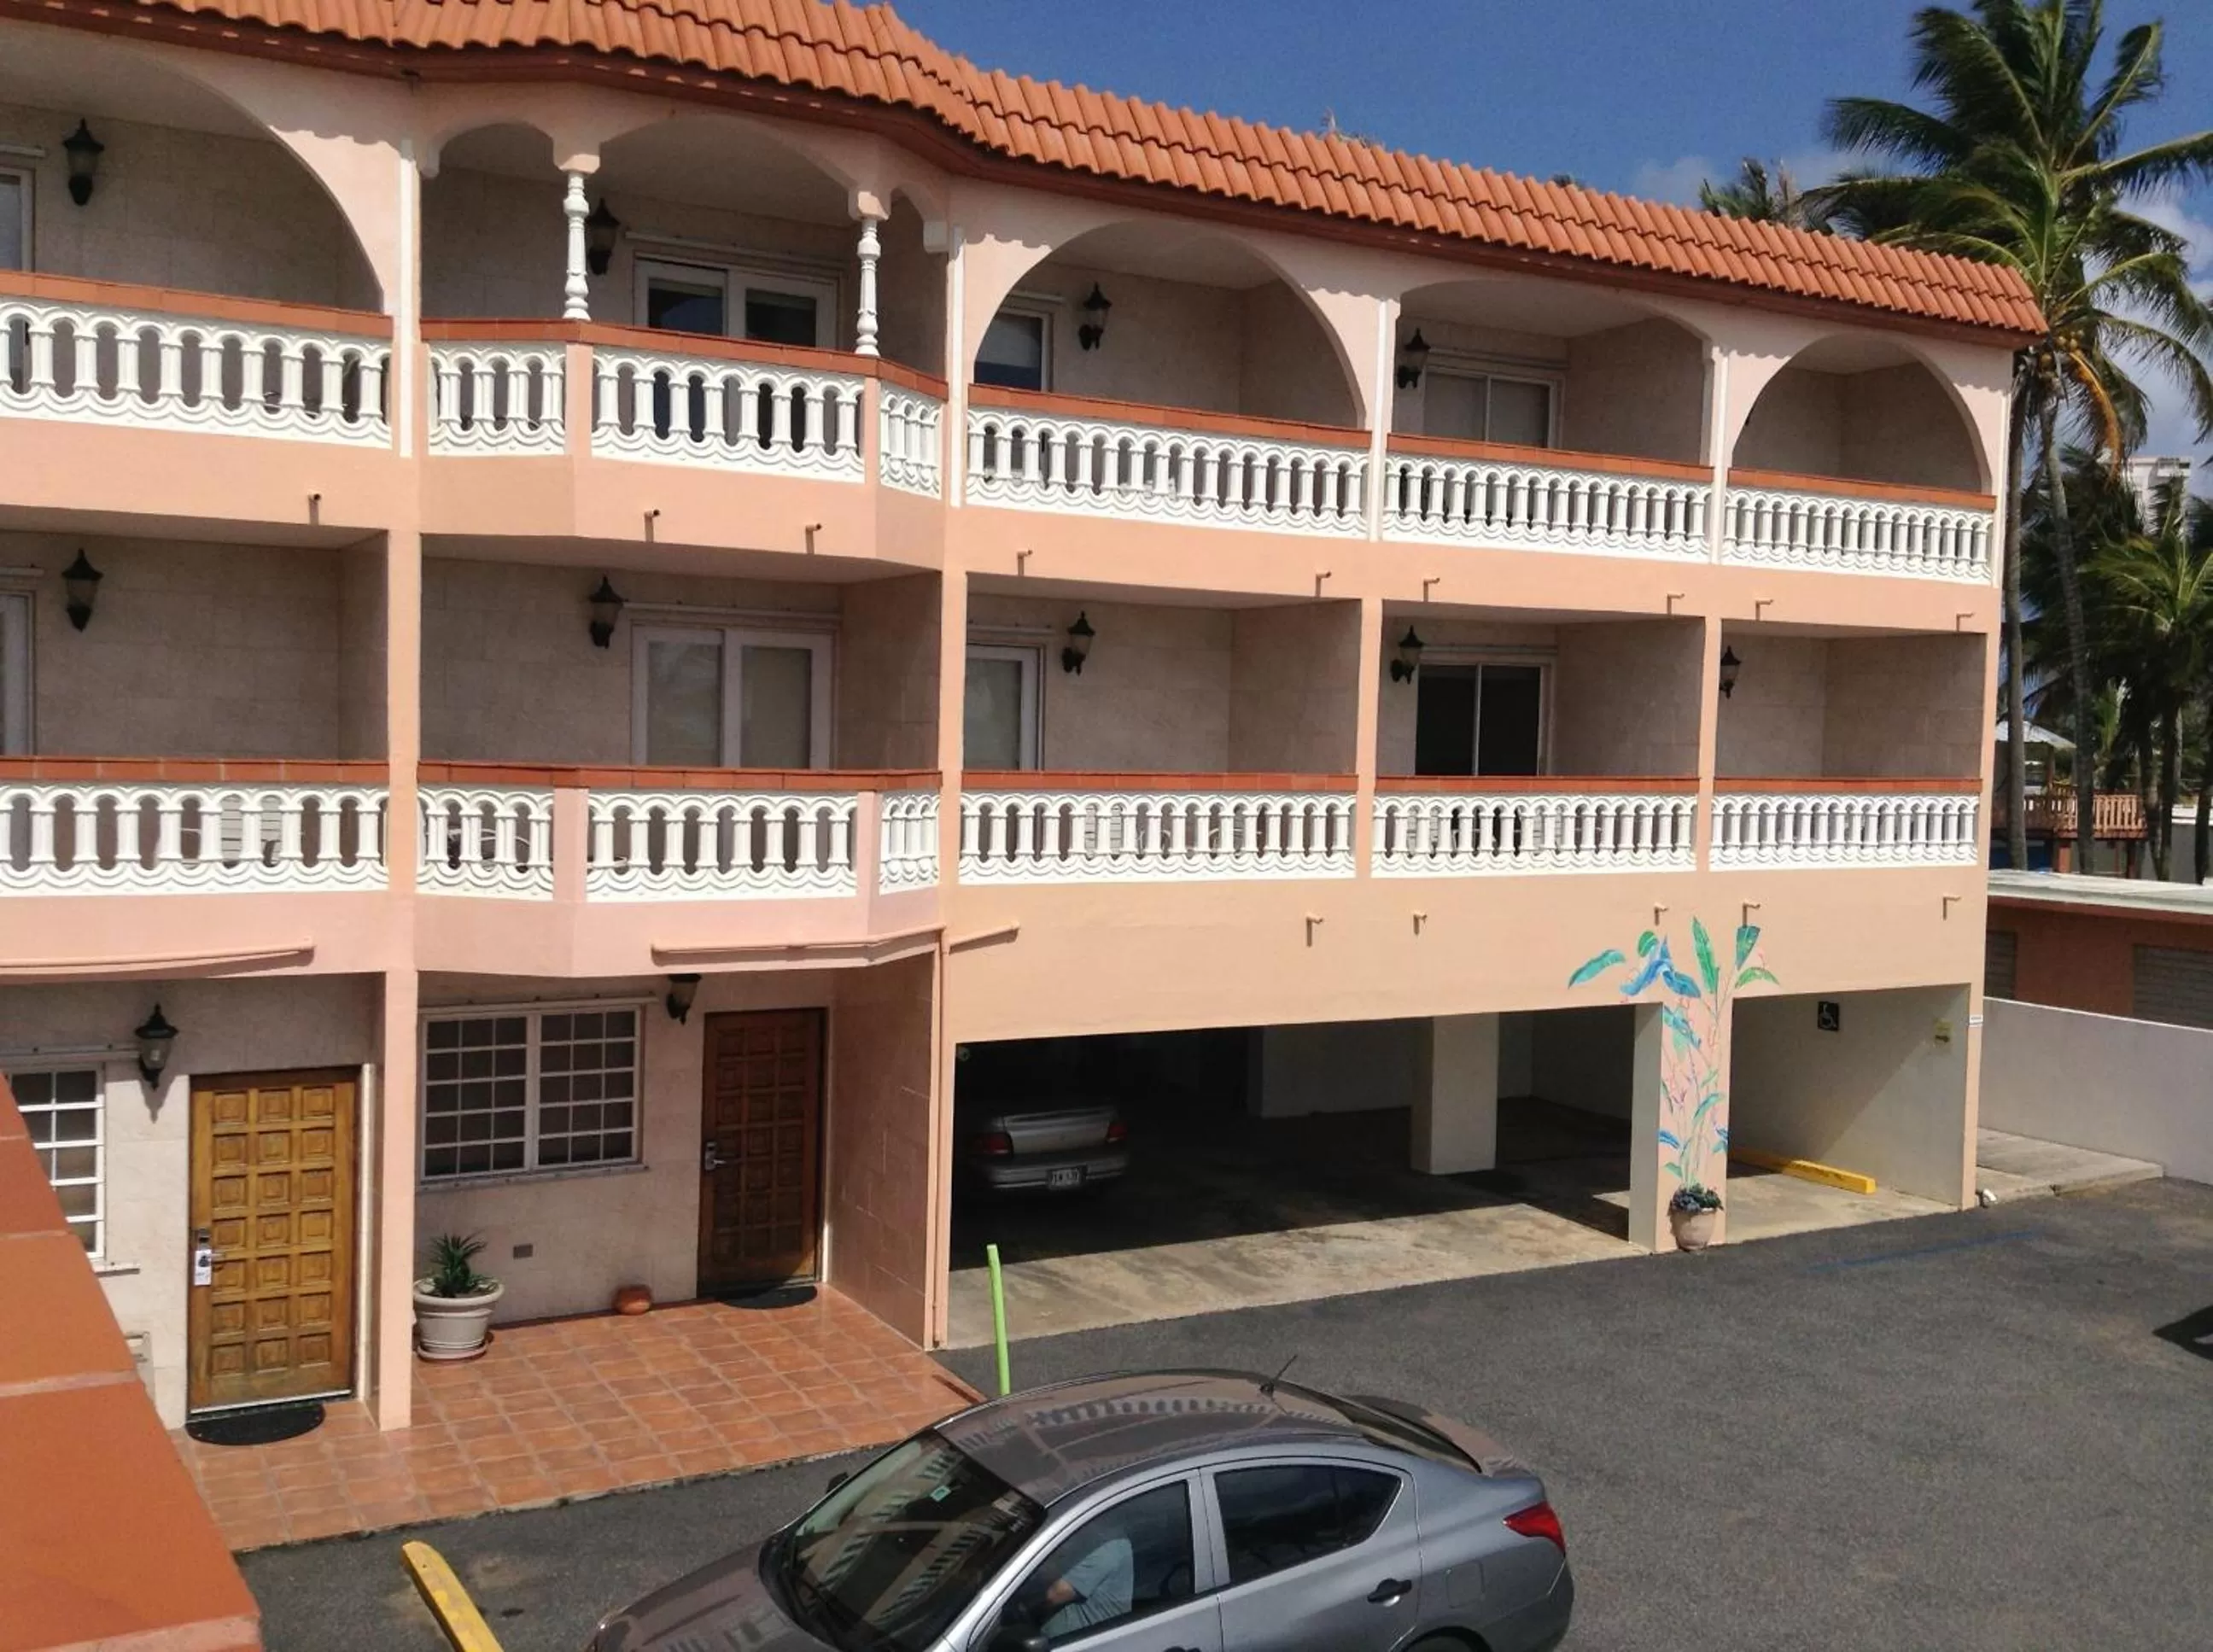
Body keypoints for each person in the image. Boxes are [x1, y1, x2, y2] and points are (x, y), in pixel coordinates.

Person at [1036, 1528, 1133, 1642]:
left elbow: (1057, 1593)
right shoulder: (1086, 1539)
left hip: (1082, 1642)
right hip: (1054, 1639)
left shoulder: (1110, 1546)